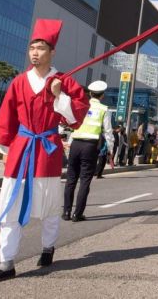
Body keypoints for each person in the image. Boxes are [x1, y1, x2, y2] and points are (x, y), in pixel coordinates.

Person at [0, 19, 89, 284]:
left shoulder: (63, 81)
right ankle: (6, 263)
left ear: (52, 52)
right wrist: (3, 146)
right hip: (21, 149)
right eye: (32, 48)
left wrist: (59, 96)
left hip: (47, 151)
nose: (35, 53)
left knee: (50, 206)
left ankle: (48, 246)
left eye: (40, 48)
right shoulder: (18, 82)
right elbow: (7, 116)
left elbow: (77, 116)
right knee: (9, 207)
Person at [63, 80, 113, 221]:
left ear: (90, 93)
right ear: (102, 95)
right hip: (90, 146)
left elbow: (73, 125)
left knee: (71, 178)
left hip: (76, 144)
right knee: (85, 180)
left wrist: (70, 143)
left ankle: (66, 212)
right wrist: (110, 150)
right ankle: (77, 214)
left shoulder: (80, 105)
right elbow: (108, 133)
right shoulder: (104, 109)